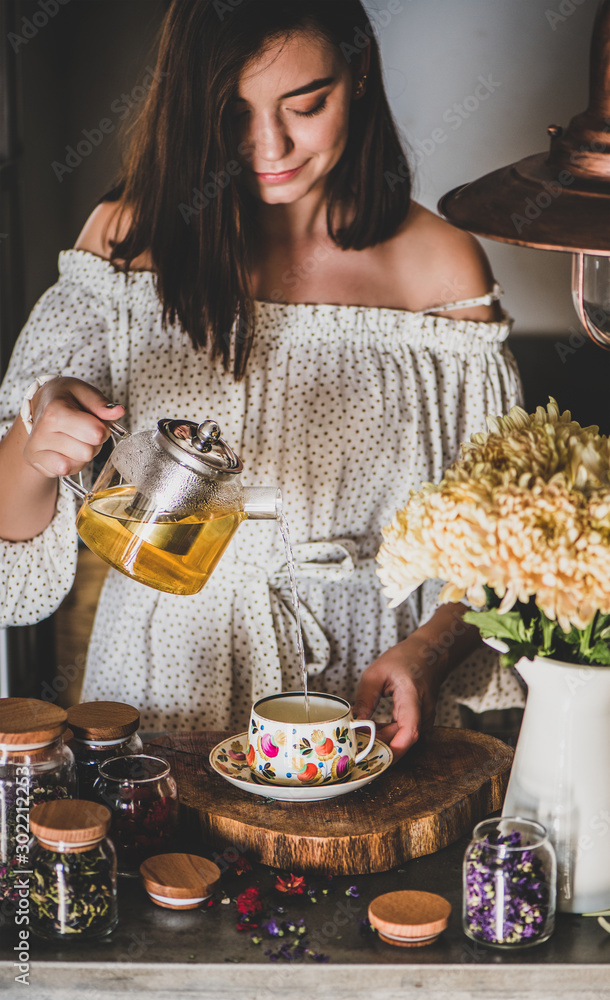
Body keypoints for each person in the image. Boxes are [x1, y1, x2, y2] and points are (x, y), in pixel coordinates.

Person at [0, 0, 525, 756]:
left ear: (360, 72)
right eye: (230, 112)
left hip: (361, 686)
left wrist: (428, 654)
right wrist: (33, 440)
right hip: (163, 677)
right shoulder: (127, 244)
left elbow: (495, 544)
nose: (268, 144)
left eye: (305, 104)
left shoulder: (440, 272)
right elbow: (12, 551)